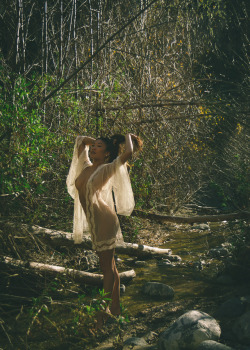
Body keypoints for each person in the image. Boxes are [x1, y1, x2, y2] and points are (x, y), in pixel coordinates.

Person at [66, 133, 142, 327]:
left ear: (107, 153)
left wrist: (126, 137)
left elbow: (128, 153)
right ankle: (115, 308)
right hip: (95, 222)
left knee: (106, 268)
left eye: (99, 147)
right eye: (94, 147)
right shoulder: (85, 165)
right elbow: (81, 140)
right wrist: (102, 142)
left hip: (105, 221)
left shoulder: (108, 168)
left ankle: (103, 311)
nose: (93, 149)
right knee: (111, 267)